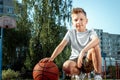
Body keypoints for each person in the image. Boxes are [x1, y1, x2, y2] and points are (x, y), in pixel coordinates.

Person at [40, 7, 102, 80]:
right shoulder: (71, 32)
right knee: (66, 66)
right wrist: (52, 58)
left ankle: (97, 75)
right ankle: (79, 74)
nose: (78, 22)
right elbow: (61, 45)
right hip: (75, 61)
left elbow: (96, 40)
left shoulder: (90, 32)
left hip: (87, 61)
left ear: (86, 21)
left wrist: (83, 51)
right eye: (76, 20)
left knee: (95, 47)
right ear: (73, 23)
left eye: (81, 19)